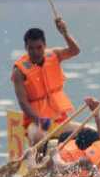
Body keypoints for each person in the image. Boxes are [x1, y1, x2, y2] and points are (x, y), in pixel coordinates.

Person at [11, 17, 81, 149]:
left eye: (39, 47)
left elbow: (75, 51)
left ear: (45, 45)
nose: (35, 52)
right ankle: (37, 167)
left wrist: (65, 33)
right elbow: (23, 102)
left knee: (88, 132)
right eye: (31, 48)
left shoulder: (54, 55)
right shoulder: (19, 71)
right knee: (39, 137)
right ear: (26, 47)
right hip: (36, 122)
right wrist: (38, 120)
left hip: (59, 120)